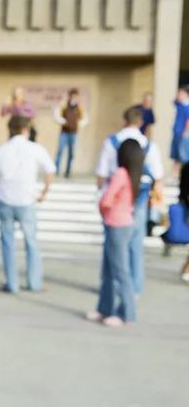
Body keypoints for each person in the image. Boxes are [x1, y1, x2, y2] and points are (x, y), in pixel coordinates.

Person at [0, 115, 55, 293]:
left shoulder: (1, 150)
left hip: (6, 199)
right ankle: (35, 282)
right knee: (31, 242)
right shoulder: (35, 148)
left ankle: (12, 283)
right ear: (26, 130)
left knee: (7, 242)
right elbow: (50, 169)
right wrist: (44, 191)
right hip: (27, 200)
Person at [96, 107, 164, 296]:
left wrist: (101, 196)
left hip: (116, 200)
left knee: (112, 246)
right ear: (141, 122)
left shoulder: (111, 142)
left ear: (123, 120)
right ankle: (135, 287)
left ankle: (110, 286)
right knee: (135, 246)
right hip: (138, 198)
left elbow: (101, 174)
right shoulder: (149, 145)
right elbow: (157, 177)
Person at [87, 139, 142, 327]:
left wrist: (102, 208)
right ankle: (105, 308)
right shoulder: (134, 175)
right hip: (125, 222)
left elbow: (107, 198)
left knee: (119, 271)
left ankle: (127, 313)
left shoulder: (120, 173)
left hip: (115, 224)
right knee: (111, 269)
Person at [53, 88, 89, 178]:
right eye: (73, 96)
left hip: (74, 133)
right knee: (60, 151)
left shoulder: (80, 107)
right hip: (64, 132)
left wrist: (79, 124)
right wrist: (63, 121)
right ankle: (56, 171)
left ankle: (68, 172)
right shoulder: (64, 105)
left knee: (71, 153)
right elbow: (57, 115)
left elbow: (84, 118)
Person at [170, 86, 189, 177]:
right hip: (176, 132)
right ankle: (175, 175)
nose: (179, 95)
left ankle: (183, 176)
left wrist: (185, 131)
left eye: (181, 93)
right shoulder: (179, 104)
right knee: (176, 156)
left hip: (183, 134)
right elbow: (173, 101)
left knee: (183, 156)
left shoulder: (187, 106)